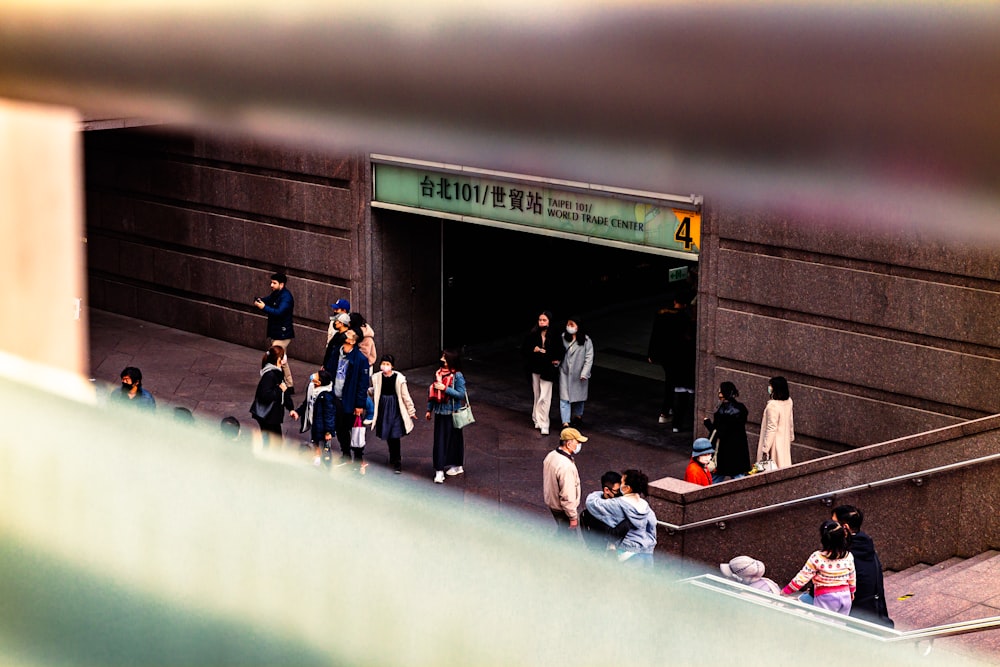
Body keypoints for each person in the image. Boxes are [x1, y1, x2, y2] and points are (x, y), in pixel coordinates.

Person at [833, 505, 894, 627]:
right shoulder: (865, 545)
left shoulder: (846, 555)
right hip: (876, 613)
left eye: (834, 524)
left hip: (858, 619)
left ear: (845, 527)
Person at [584, 469, 658, 566]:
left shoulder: (618, 504)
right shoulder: (644, 504)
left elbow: (591, 502)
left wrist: (599, 493)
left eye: (622, 482)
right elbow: (652, 524)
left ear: (627, 488)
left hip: (628, 553)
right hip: (646, 551)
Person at [647, 288, 696, 432]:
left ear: (674, 302)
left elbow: (655, 334)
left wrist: (651, 353)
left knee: (669, 381)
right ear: (686, 305)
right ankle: (668, 411)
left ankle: (665, 411)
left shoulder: (662, 314)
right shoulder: (685, 319)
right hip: (678, 356)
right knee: (674, 383)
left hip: (664, 355)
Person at [782, 519, 856, 615]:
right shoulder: (848, 556)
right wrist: (851, 591)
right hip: (845, 596)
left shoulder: (817, 558)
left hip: (826, 597)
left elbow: (802, 578)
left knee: (824, 625)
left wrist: (786, 591)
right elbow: (852, 577)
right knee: (840, 625)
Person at [425, 348, 468, 483]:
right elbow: (432, 395)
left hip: (452, 412)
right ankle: (439, 470)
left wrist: (445, 389)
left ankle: (457, 465)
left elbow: (461, 394)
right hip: (440, 412)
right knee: (440, 441)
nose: (442, 359)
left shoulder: (457, 376)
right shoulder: (438, 374)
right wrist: (429, 409)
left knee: (455, 440)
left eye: (444, 357)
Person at [370, 354, 417, 474]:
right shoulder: (377, 377)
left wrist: (411, 410)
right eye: (383, 363)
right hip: (383, 408)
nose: (385, 366)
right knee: (388, 433)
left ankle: (397, 460)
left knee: (395, 434)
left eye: (387, 364)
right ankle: (393, 455)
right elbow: (376, 390)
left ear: (392, 366)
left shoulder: (399, 378)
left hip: (396, 408)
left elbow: (405, 396)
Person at [331, 329, 370, 467]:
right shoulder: (337, 352)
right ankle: (345, 453)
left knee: (354, 429)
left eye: (348, 335)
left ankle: (358, 456)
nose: (345, 334)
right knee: (340, 428)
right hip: (336, 398)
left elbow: (363, 385)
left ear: (353, 341)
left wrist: (359, 404)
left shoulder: (360, 360)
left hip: (350, 400)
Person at [521, 311, 561, 437]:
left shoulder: (554, 335)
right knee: (537, 394)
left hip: (548, 369)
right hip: (535, 367)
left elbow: (560, 350)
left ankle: (544, 423)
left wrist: (555, 359)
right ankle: (536, 418)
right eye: (540, 320)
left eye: (544, 320)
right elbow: (525, 349)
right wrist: (535, 350)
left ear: (549, 321)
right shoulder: (533, 334)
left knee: (545, 396)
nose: (541, 322)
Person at [254, 271, 295, 392]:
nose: (271, 285)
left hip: (283, 334)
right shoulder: (276, 294)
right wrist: (260, 301)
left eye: (274, 283)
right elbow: (268, 299)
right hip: (277, 332)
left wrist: (263, 307)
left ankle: (278, 383)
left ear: (281, 284)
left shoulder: (286, 297)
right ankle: (289, 385)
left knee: (274, 356)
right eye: (271, 282)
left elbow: (279, 312)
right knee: (282, 360)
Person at [703, 381, 751, 482]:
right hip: (738, 449)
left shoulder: (722, 412)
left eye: (720, 392)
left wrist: (708, 423)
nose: (719, 394)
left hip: (724, 450)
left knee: (716, 478)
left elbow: (718, 432)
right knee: (738, 477)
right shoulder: (741, 408)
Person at [250, 345, 295, 448]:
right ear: (279, 359)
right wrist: (279, 389)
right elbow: (265, 395)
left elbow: (285, 391)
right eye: (283, 356)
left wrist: (291, 408)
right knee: (273, 443)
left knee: (273, 442)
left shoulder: (277, 372)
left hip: (271, 416)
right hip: (268, 416)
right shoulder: (270, 375)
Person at [542, 427, 587, 529]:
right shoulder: (566, 466)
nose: (579, 445)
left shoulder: (551, 455)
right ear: (568, 444)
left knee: (562, 531)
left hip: (552, 503)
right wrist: (573, 517)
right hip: (563, 509)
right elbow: (567, 495)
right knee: (568, 538)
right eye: (578, 442)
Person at [290, 370, 336, 467]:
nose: (313, 376)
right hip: (314, 423)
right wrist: (298, 412)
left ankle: (326, 465)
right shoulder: (311, 388)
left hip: (322, 427)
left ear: (319, 383)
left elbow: (329, 415)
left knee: (325, 448)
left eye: (316, 376)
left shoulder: (326, 396)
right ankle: (317, 461)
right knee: (315, 443)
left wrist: (328, 432)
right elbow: (307, 404)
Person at [580, 470, 630, 553]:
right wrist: (631, 519)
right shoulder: (596, 511)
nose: (620, 493)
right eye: (617, 491)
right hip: (602, 551)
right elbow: (612, 535)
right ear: (606, 490)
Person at [558, 316, 594, 429]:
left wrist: (584, 373)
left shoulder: (586, 341)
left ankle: (578, 417)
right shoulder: (563, 337)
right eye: (568, 324)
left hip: (579, 375)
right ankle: (565, 423)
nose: (569, 327)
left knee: (579, 398)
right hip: (564, 373)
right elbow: (558, 351)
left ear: (578, 327)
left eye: (572, 324)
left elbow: (589, 358)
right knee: (564, 398)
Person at [756, 376, 794, 469]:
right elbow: (790, 421)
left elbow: (771, 428)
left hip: (774, 444)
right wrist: (790, 437)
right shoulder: (789, 401)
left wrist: (765, 449)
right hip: (784, 441)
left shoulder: (772, 406)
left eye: (771, 386)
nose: (769, 388)